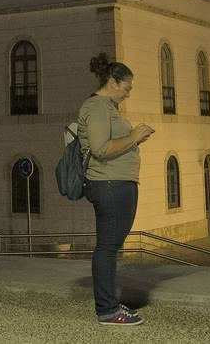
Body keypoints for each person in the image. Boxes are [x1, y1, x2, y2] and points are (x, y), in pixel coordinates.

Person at [78, 53, 155, 327]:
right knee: (108, 248)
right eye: (127, 87)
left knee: (111, 247)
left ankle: (109, 302)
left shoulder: (106, 107)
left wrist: (134, 140)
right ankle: (108, 311)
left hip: (115, 183)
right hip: (109, 185)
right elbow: (100, 149)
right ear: (113, 81)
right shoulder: (97, 106)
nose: (128, 93)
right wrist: (134, 136)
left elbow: (111, 144)